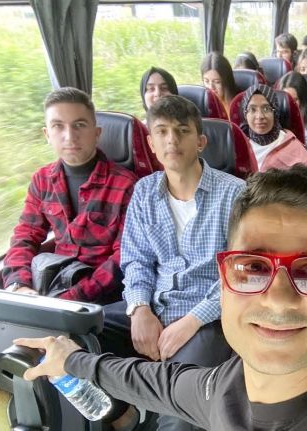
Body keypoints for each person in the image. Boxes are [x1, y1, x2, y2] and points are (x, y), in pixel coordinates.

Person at [15, 166, 307, 431]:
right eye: (253, 267)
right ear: (223, 282)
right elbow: (151, 381)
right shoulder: (222, 388)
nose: (278, 299)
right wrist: (71, 360)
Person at [103, 95, 244, 430]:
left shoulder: (235, 194)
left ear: (201, 141)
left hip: (210, 317)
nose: (172, 140)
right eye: (162, 132)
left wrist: (192, 321)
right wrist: (140, 309)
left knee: (179, 408)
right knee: (79, 333)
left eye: (182, 131)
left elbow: (240, 273)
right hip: (156, 304)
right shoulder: (144, 192)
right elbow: (136, 261)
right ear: (151, 144)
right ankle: (120, 413)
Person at [2, 87, 137, 303]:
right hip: (56, 282)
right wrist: (19, 285)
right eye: (58, 126)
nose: (69, 136)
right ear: (47, 134)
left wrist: (71, 298)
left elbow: (124, 256)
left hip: (105, 296)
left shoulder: (126, 185)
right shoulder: (42, 180)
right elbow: (25, 237)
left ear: (97, 133)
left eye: (79, 125)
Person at [240, 84, 307, 171]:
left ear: (275, 112)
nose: (259, 116)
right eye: (252, 109)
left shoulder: (292, 146)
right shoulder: (238, 145)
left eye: (266, 109)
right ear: (245, 114)